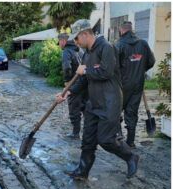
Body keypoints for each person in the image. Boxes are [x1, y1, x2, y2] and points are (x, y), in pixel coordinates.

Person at [56, 19, 139, 179]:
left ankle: (130, 156)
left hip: (110, 102)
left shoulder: (107, 48)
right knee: (88, 139)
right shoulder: (87, 53)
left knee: (106, 139)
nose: (76, 42)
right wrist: (68, 93)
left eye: (77, 38)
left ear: (85, 34)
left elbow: (106, 72)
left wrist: (85, 70)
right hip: (93, 102)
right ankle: (82, 171)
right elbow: (83, 80)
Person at [115, 21, 156, 148]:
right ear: (131, 30)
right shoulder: (143, 43)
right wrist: (140, 69)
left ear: (121, 30)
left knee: (115, 110)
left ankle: (119, 134)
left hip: (122, 85)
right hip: (138, 84)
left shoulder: (119, 45)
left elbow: (114, 66)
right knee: (132, 112)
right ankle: (131, 141)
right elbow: (151, 61)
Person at [58, 32, 87, 139]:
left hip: (74, 84)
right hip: (84, 83)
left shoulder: (67, 51)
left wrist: (67, 81)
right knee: (84, 107)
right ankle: (88, 132)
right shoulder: (80, 49)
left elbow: (67, 67)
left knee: (74, 109)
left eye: (60, 42)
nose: (60, 45)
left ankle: (75, 133)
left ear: (63, 41)